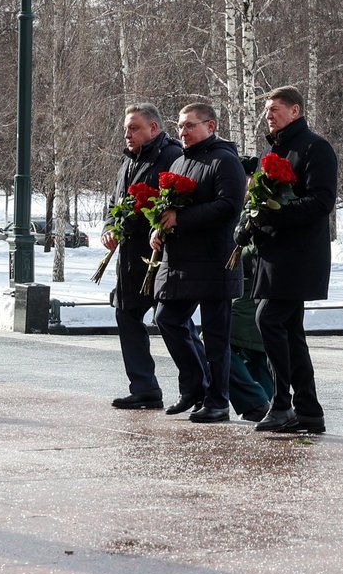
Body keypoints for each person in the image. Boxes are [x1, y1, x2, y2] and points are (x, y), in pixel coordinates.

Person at [248, 87, 338, 434]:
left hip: (299, 255)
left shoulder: (315, 147)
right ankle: (308, 410)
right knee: (289, 331)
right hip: (273, 253)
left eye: (275, 109)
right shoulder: (272, 151)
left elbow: (321, 201)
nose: (268, 115)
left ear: (295, 111)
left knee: (268, 318)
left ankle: (282, 404)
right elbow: (259, 200)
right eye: (266, 110)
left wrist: (273, 215)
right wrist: (251, 221)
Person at [152, 102, 247, 423]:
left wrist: (180, 218)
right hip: (181, 261)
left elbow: (229, 206)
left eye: (190, 125)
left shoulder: (225, 160)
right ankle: (194, 386)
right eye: (180, 126)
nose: (182, 131)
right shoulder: (179, 162)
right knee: (167, 318)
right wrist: (158, 229)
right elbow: (166, 208)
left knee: (216, 338)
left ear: (211, 126)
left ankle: (218, 402)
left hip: (215, 261)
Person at [104, 103, 184, 410]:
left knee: (173, 321)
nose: (127, 134)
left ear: (153, 128)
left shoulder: (171, 156)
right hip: (130, 257)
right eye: (126, 129)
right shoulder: (128, 159)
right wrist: (110, 228)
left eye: (134, 128)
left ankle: (198, 386)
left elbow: (175, 203)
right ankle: (144, 387)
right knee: (126, 314)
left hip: (161, 255)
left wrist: (155, 228)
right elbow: (115, 201)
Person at [228, 248, 276, 420]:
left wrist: (231, 251)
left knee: (214, 346)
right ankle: (268, 408)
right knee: (255, 357)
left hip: (249, 300)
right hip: (254, 296)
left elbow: (257, 250)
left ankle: (256, 403)